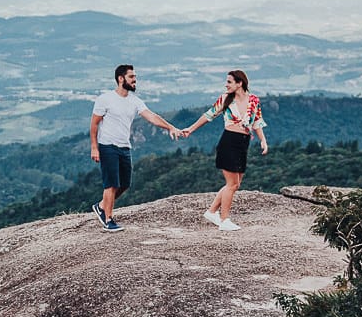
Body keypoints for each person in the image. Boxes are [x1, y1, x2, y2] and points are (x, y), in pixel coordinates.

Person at [90, 64, 183, 231]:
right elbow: (94, 124)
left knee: (124, 184)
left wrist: (170, 127)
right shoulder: (105, 99)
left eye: (135, 77)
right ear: (121, 79)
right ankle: (108, 219)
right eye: (132, 77)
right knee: (111, 184)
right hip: (107, 146)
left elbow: (152, 117)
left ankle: (101, 206)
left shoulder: (134, 101)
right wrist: (94, 148)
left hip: (124, 147)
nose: (135, 80)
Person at [182, 69, 268, 231]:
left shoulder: (254, 100)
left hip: (243, 143)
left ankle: (211, 211)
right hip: (228, 141)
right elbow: (208, 115)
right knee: (232, 184)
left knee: (236, 184)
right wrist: (191, 129)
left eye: (229, 82)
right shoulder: (225, 99)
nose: (226, 85)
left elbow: (257, 121)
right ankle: (224, 220)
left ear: (239, 83)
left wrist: (263, 140)